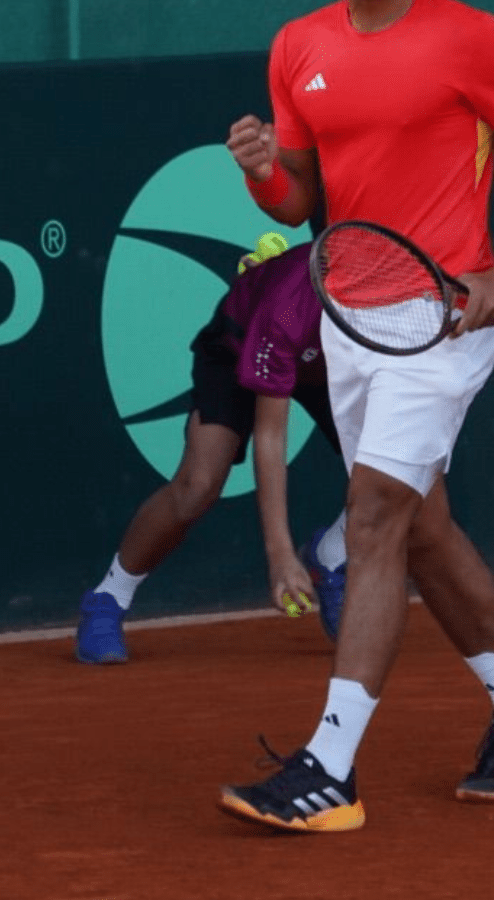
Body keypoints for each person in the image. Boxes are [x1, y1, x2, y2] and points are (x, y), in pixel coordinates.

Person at [217, 0, 494, 832]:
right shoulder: (297, 50)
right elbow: (302, 201)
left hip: (445, 318)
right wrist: (262, 176)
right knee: (419, 528)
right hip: (351, 317)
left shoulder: (470, 38)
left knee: (372, 517)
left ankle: (328, 769)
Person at [74, 237, 351, 663]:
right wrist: (278, 554)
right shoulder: (287, 307)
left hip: (330, 363)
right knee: (198, 485)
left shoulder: (391, 296)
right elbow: (271, 436)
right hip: (241, 346)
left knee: (406, 476)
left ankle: (331, 554)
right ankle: (108, 597)